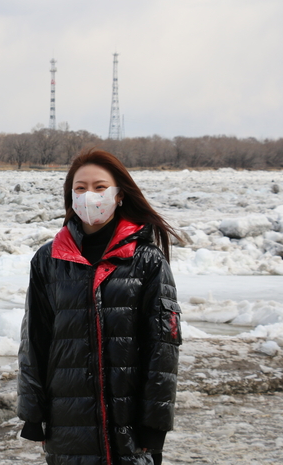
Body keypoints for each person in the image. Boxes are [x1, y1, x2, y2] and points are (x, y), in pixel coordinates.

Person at [17, 149, 182, 465]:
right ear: (70, 196)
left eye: (99, 187)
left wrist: (154, 425)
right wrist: (32, 413)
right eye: (80, 188)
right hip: (68, 425)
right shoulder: (48, 260)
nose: (89, 196)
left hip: (129, 426)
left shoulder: (147, 261)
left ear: (119, 194)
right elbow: (34, 342)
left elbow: (162, 349)